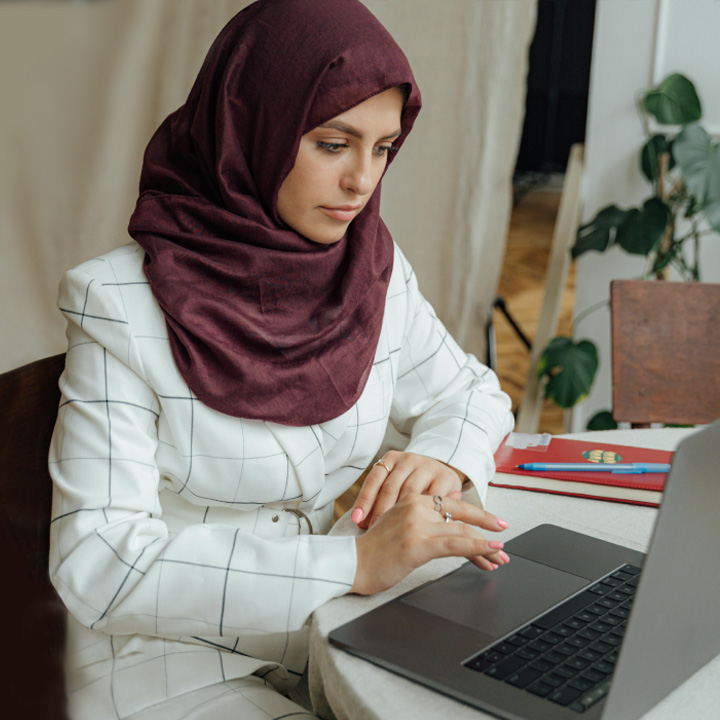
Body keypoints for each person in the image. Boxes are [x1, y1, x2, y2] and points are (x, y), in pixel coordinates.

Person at [48, 0, 515, 718]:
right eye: (334, 144)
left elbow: (474, 394)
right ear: (251, 128)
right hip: (176, 667)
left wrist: (444, 460)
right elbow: (101, 565)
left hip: (346, 637)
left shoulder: (370, 268)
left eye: (384, 147)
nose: (363, 181)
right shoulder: (115, 302)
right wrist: (351, 563)